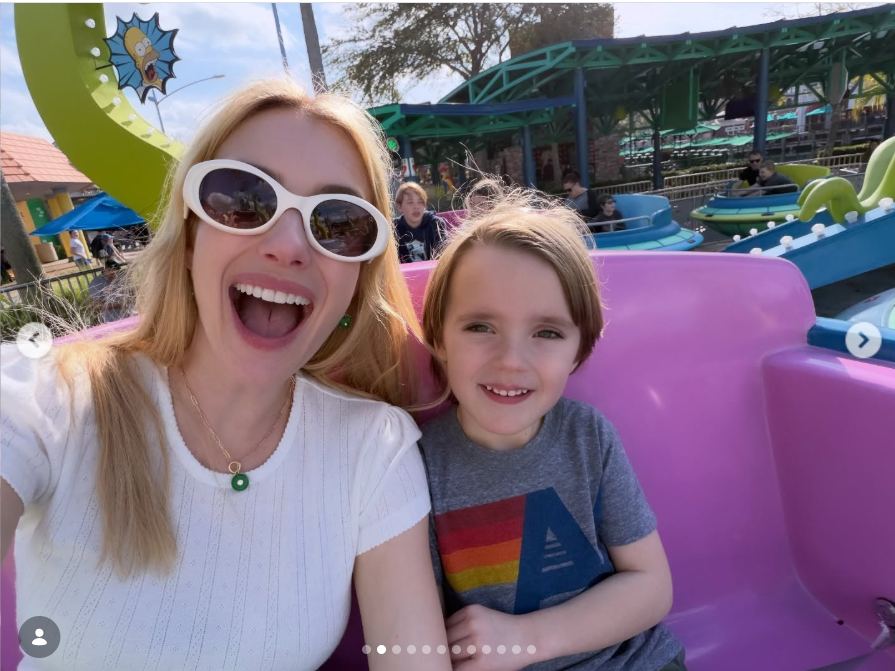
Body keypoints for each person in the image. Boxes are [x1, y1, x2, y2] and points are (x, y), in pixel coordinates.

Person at [1, 79, 450, 670]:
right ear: (190, 235)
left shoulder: (375, 448)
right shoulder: (47, 397)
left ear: (357, 280)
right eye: (244, 199)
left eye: (338, 222)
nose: (289, 246)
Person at [418, 180, 686, 670]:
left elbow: (652, 587)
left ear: (578, 352)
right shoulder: (418, 467)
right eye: (481, 326)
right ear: (437, 337)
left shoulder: (588, 438)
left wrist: (527, 639)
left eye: (546, 333)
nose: (511, 361)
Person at [393, 181, 447, 263]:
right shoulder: (394, 227)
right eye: (410, 203)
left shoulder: (436, 224)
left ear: (425, 205)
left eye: (420, 202)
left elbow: (444, 257)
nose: (416, 207)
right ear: (399, 206)